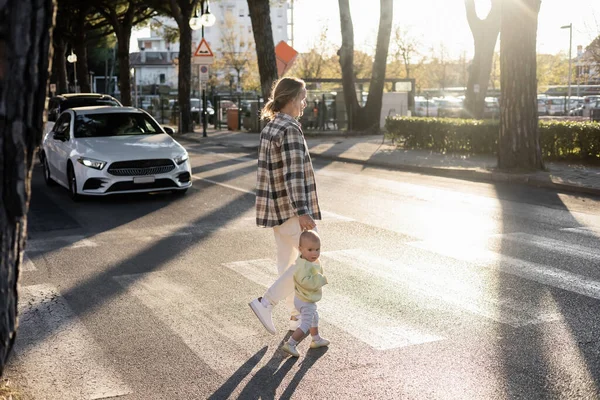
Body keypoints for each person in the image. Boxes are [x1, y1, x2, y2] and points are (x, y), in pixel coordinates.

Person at [249, 77, 321, 335]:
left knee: (287, 263)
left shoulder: (271, 127)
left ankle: (295, 318)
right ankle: (265, 302)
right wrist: (302, 210)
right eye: (302, 98)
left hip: (275, 210)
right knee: (308, 259)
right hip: (291, 211)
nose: (304, 103)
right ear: (291, 99)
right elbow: (292, 174)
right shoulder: (289, 129)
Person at [281, 230, 329, 357]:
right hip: (305, 300)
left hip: (302, 298)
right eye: (310, 249)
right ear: (301, 249)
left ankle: (316, 339)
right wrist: (320, 279)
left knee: (314, 317)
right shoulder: (303, 266)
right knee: (306, 324)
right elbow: (305, 282)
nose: (315, 253)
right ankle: (291, 344)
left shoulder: (306, 260)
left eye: (317, 249)